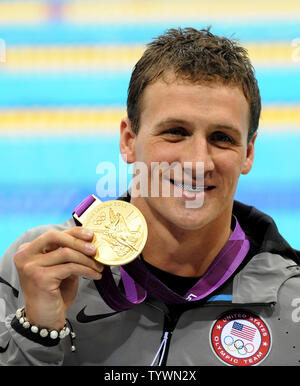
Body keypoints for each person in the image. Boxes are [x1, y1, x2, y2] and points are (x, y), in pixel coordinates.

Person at [0, 27, 300, 367]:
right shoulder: (34, 270)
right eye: (175, 132)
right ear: (129, 140)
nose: (198, 162)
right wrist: (37, 334)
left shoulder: (293, 298)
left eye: (221, 137)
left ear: (248, 153)